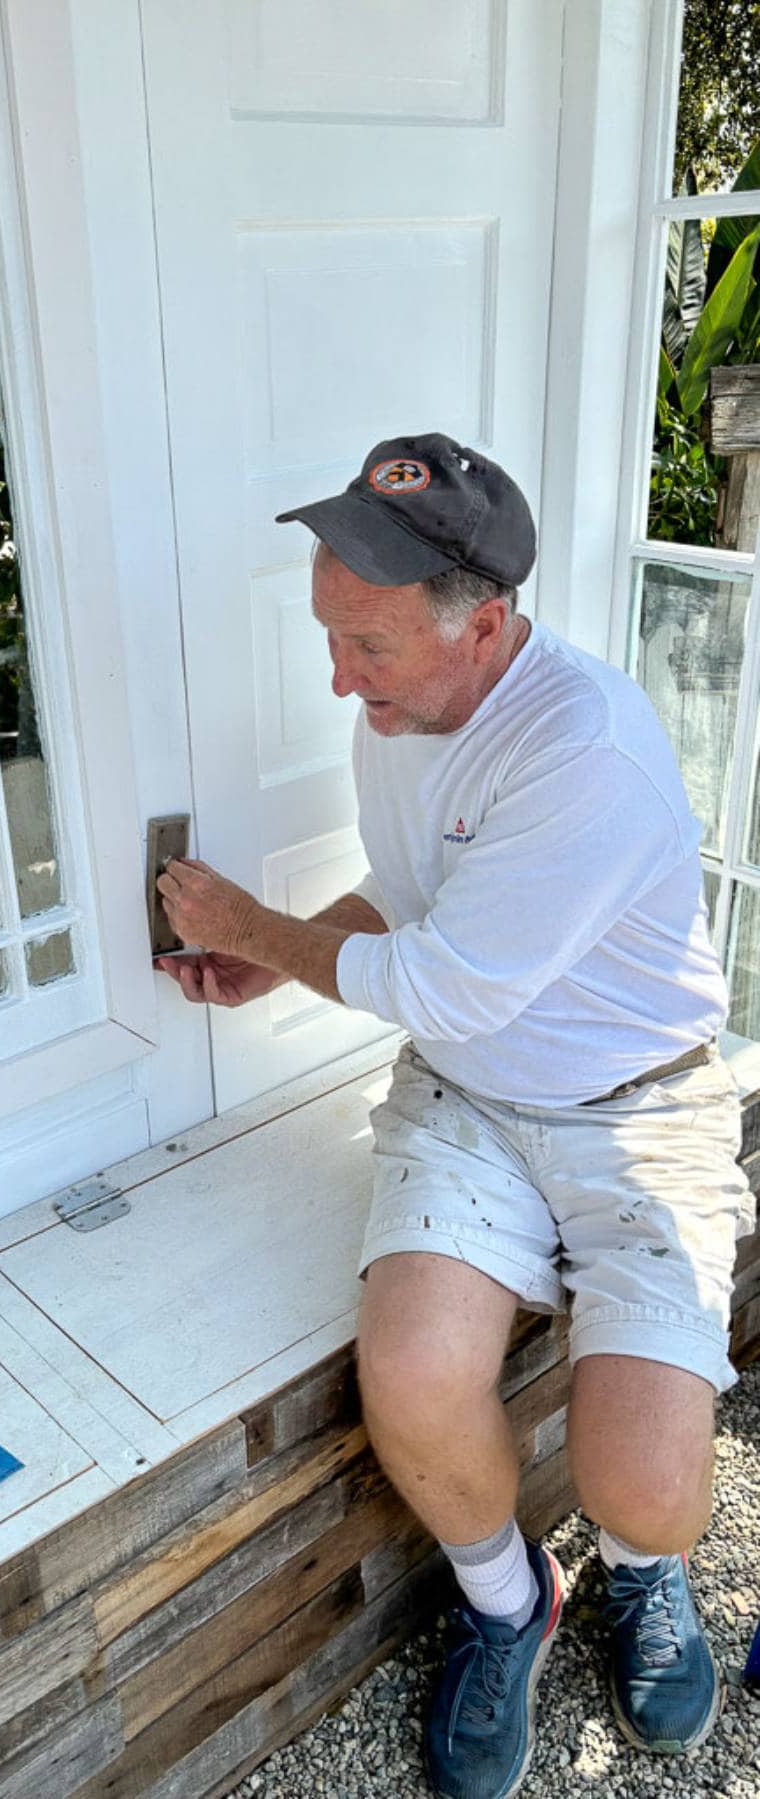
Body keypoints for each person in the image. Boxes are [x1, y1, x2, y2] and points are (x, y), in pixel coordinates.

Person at [155, 433, 754, 1799]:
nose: (336, 677)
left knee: (647, 1487)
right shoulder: (410, 714)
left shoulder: (581, 747)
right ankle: (510, 1605)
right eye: (329, 636)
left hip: (637, 1109)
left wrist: (246, 922)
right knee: (415, 1379)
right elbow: (412, 896)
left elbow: (442, 979)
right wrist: (286, 949)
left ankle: (646, 1575)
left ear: (482, 624)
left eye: (363, 644)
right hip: (473, 1098)